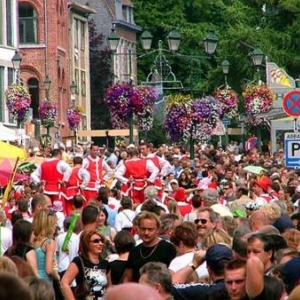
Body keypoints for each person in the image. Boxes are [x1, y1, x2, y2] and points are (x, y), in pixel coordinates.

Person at [123, 211, 176, 282]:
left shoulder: (168, 248)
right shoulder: (134, 251)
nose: (146, 233)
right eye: (143, 229)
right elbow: (128, 278)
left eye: (150, 229)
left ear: (158, 230)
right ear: (138, 229)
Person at [61, 229, 111, 299]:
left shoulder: (105, 263)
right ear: (87, 244)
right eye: (96, 241)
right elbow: (64, 283)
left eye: (101, 241)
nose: (100, 243)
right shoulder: (79, 261)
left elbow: (109, 287)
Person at [32, 209, 60, 283]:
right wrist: (58, 278)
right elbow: (49, 269)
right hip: (45, 283)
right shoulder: (49, 242)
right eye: (54, 223)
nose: (56, 225)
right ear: (49, 225)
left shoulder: (32, 240)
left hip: (32, 281)